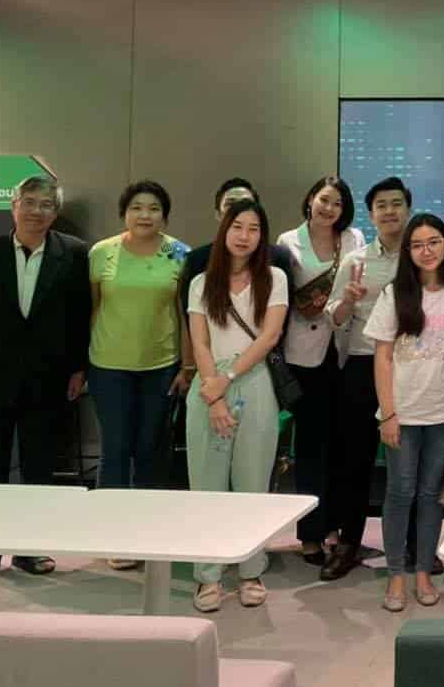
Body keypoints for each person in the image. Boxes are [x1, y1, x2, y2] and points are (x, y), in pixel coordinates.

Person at [0, 175, 91, 586]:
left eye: (46, 204)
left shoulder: (74, 253)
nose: (36, 211)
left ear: (55, 212)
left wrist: (78, 367)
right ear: (13, 206)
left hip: (49, 379)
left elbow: (80, 317)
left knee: (39, 468)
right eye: (29, 202)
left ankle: (29, 547)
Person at [365, 214, 444, 612]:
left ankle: (424, 570)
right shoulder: (395, 293)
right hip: (403, 411)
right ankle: (396, 573)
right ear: (408, 251)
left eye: (433, 242)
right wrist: (388, 414)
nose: (426, 251)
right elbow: (381, 357)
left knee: (431, 495)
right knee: (400, 492)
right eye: (417, 244)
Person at [185, 199, 289, 612]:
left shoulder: (275, 278)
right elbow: (199, 342)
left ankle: (251, 570)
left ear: (262, 236)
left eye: (253, 229)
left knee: (253, 485)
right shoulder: (201, 282)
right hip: (208, 384)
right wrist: (213, 393)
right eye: (237, 226)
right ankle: (207, 576)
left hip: (254, 381)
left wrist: (226, 380)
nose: (244, 236)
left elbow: (269, 337)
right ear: (224, 229)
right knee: (206, 488)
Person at [88, 180, 188, 569]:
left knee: (150, 451)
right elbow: (92, 309)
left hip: (160, 368)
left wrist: (187, 366)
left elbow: (185, 314)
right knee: (115, 449)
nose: (145, 215)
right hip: (108, 366)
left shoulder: (178, 253)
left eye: (153, 208)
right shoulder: (102, 253)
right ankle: (113, 534)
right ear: (124, 213)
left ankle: (147, 532)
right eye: (136, 208)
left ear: (165, 216)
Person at [320, 176, 409, 581]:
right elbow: (333, 317)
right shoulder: (356, 260)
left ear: (407, 208)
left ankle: (410, 543)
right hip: (360, 365)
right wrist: (348, 301)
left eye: (396, 203)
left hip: (408, 369)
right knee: (353, 461)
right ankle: (349, 542)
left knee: (406, 462)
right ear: (371, 215)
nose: (389, 211)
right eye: (381, 205)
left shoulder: (421, 256)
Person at [276, 176, 366, 570]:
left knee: (344, 445)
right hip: (304, 354)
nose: (329, 209)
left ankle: (337, 529)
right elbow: (280, 295)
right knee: (311, 446)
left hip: (345, 349)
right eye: (324, 200)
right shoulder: (287, 242)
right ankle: (310, 533)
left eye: (337, 203)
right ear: (310, 200)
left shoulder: (354, 239)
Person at [177, 178, 296, 319]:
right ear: (218, 214)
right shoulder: (197, 260)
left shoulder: (278, 259)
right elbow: (191, 317)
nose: (238, 210)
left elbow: (284, 318)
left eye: (246, 204)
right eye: (230, 204)